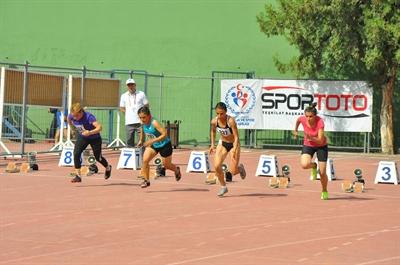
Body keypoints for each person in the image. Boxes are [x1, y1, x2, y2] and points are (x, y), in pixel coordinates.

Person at [136, 106, 181, 188]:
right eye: (140, 117)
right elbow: (143, 130)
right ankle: (146, 181)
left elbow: (165, 134)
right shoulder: (143, 123)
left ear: (149, 115)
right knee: (145, 160)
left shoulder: (154, 123)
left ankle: (176, 169)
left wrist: (152, 141)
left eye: (144, 117)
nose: (142, 119)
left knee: (167, 165)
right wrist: (141, 140)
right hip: (154, 145)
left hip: (165, 145)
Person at [67, 103, 112, 183]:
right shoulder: (72, 116)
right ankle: (78, 176)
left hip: (95, 138)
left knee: (98, 157)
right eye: (73, 116)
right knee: (76, 153)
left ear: (81, 112)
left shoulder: (89, 117)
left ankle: (108, 167)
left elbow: (99, 127)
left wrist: (90, 132)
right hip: (83, 137)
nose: (75, 118)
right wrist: (73, 129)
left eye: (76, 116)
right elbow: (69, 120)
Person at [293, 102, 329, 200]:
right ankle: (314, 166)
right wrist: (295, 130)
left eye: (311, 116)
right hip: (308, 145)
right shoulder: (303, 119)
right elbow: (298, 120)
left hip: (321, 146)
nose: (308, 118)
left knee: (322, 173)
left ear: (315, 116)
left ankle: (324, 190)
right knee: (304, 165)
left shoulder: (320, 122)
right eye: (307, 116)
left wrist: (311, 138)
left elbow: (320, 140)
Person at [209, 102, 246, 197]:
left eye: (222, 113)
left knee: (232, 171)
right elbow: (213, 132)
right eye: (217, 113)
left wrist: (234, 148)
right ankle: (223, 187)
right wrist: (212, 144)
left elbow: (237, 136)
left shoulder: (231, 121)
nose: (219, 115)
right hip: (223, 143)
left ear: (226, 112)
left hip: (234, 144)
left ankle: (240, 168)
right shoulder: (214, 121)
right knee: (217, 166)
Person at [119, 78, 149, 147]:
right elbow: (121, 107)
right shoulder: (123, 96)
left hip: (140, 122)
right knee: (129, 142)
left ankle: (142, 157)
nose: (130, 86)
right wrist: (128, 113)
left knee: (141, 141)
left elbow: (146, 105)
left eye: (132, 84)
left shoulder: (141, 94)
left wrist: (144, 116)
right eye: (129, 85)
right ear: (127, 86)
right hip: (129, 122)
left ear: (135, 85)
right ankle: (131, 157)